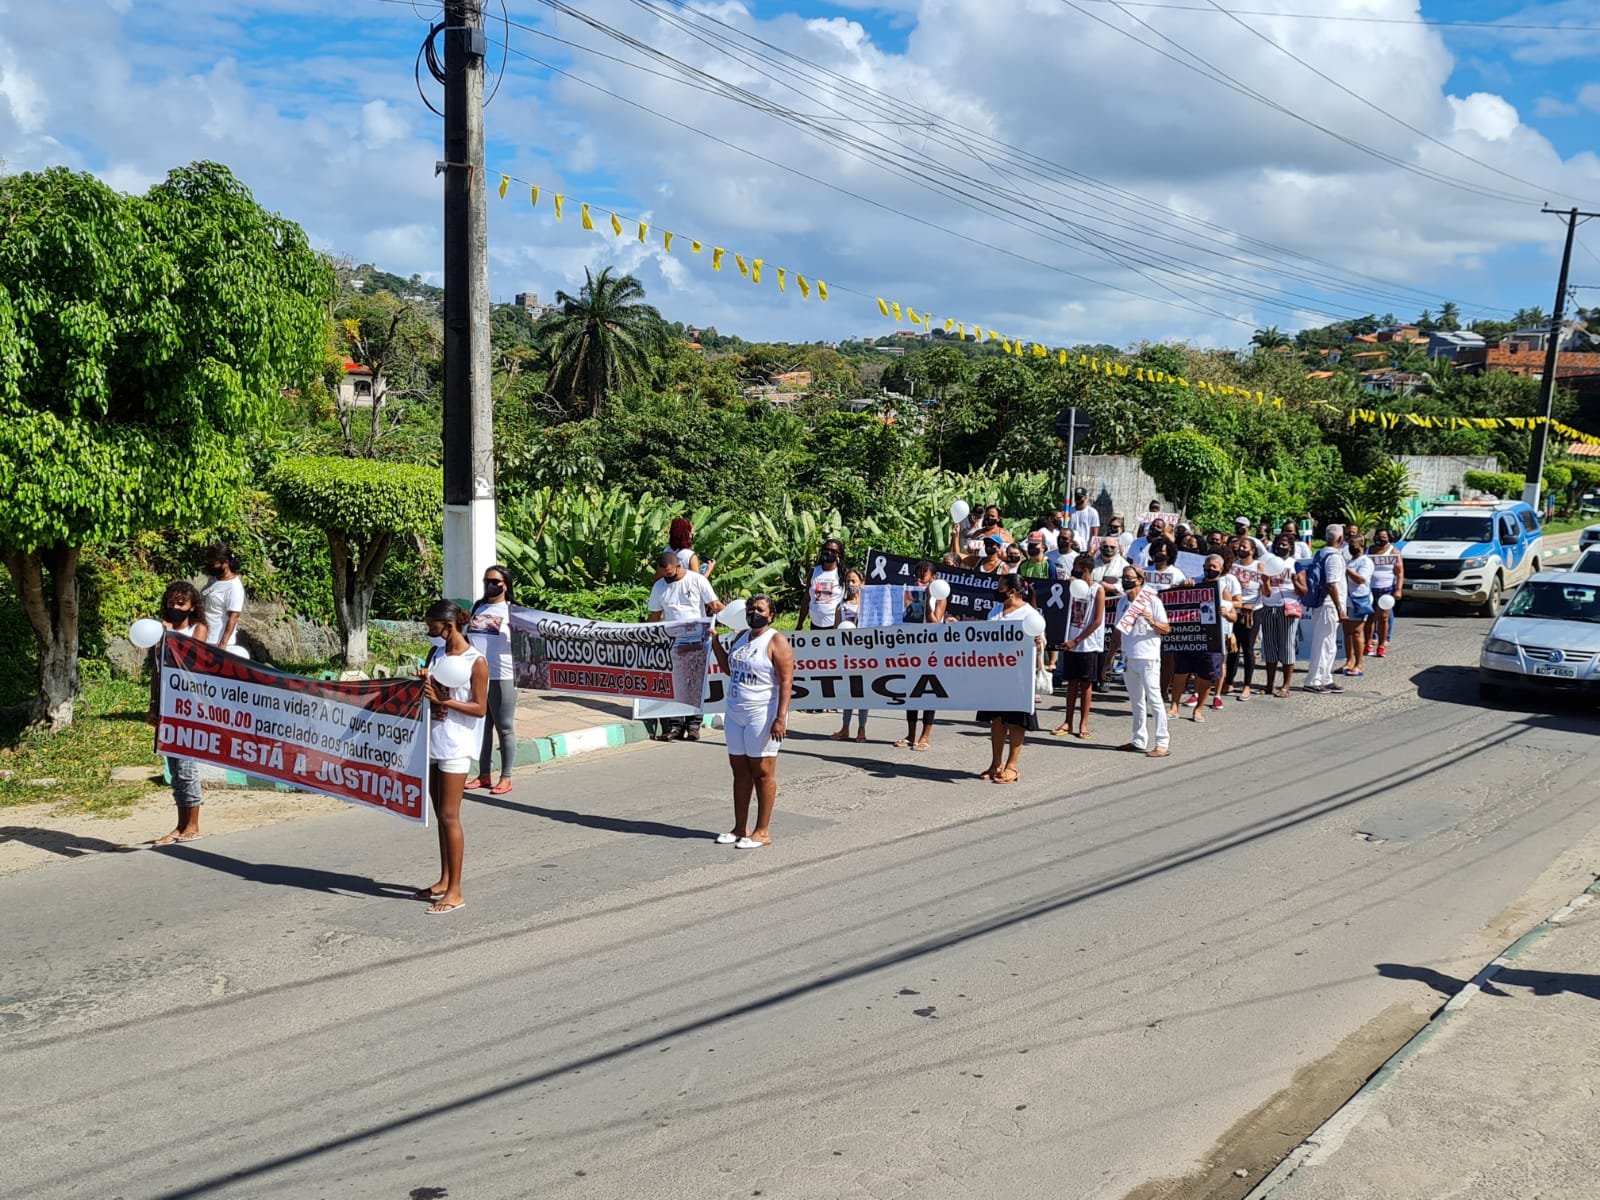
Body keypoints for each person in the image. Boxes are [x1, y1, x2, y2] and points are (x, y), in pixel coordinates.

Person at [417, 599, 489, 915]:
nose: (428, 629)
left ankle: (456, 891)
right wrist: (425, 680)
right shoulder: (437, 654)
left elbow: (480, 707)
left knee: (450, 815)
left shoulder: (477, 661)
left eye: (431, 624)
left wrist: (446, 701)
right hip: (434, 740)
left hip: (457, 745)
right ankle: (445, 879)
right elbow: (432, 690)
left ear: (447, 625)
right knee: (439, 814)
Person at [711, 595, 793, 849]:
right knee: (740, 771)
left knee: (762, 772)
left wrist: (780, 718)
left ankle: (762, 831)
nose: (753, 613)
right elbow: (728, 669)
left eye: (759, 609)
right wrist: (714, 642)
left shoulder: (776, 641)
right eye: (750, 609)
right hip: (735, 712)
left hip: (763, 714)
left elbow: (786, 682)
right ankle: (739, 827)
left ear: (770, 615)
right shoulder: (741, 637)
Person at [146, 581, 209, 845]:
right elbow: (157, 670)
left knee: (187, 766)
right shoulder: (160, 633)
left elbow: (190, 661)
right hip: (166, 706)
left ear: (192, 605)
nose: (175, 607)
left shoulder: (199, 629)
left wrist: (170, 637)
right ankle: (180, 824)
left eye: (180, 603)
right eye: (171, 602)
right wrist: (153, 705)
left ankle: (193, 824)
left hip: (189, 706)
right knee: (173, 766)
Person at [646, 549, 723, 741]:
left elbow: (714, 605)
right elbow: (654, 617)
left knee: (694, 682)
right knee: (675, 684)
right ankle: (675, 726)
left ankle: (694, 725)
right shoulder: (659, 587)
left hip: (697, 638)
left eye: (671, 574)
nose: (668, 578)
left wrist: (738, 620)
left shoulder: (696, 580)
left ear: (679, 566)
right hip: (672, 641)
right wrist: (645, 636)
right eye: (665, 575)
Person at [978, 575, 1043, 784]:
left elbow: (1041, 644)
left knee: (1015, 722)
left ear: (1013, 591)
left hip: (1019, 676)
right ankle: (995, 763)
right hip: (996, 674)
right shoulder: (995, 611)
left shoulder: (1029, 614)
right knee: (996, 720)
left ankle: (1012, 767)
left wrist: (1038, 641)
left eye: (1001, 588)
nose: (998, 592)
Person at [466, 564, 518, 793]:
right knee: (482, 727)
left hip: (503, 675)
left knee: (504, 726)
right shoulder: (478, 607)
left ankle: (506, 777)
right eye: (487, 581)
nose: (490, 585)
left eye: (495, 581)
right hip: (478, 676)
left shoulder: (514, 611)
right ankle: (484, 774)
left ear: (505, 584)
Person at [1115, 566, 1172, 758]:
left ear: (1140, 580)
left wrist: (1152, 622)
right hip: (1128, 656)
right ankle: (1139, 739)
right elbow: (1118, 631)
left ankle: (1162, 742)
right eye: (1123, 577)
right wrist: (1109, 658)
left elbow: (1166, 629)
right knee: (1136, 701)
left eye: (1129, 578)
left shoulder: (1152, 601)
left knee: (1154, 699)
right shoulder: (1122, 602)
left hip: (1148, 657)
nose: (1125, 581)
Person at [1172, 555, 1236, 721]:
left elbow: (1234, 617)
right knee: (1181, 672)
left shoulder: (1224, 589)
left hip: (1212, 638)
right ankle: (1174, 706)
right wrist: (1182, 586)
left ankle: (1199, 709)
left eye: (1214, 566)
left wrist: (1227, 615)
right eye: (1207, 566)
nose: (1210, 569)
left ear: (1221, 569)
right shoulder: (1194, 582)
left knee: (1205, 676)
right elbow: (1174, 596)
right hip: (1190, 635)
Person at [1051, 554, 1105, 740]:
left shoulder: (1097, 590)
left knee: (1086, 684)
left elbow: (1097, 621)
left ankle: (1084, 722)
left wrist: (1078, 640)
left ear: (1086, 570)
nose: (1075, 571)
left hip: (1087, 645)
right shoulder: (1073, 588)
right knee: (1071, 683)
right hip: (1070, 641)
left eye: (1078, 569)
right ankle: (1068, 721)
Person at [896, 560, 947, 750]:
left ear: (933, 578)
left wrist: (926, 602)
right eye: (917, 575)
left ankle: (925, 736)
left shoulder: (940, 596)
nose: (919, 579)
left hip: (932, 649)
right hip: (912, 648)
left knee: (927, 691)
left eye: (923, 576)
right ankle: (910, 734)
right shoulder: (909, 592)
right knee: (911, 692)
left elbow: (935, 623)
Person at [1303, 524, 1348, 694]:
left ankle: (1325, 678)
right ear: (1340, 539)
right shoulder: (1334, 557)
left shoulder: (1321, 553)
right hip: (1328, 605)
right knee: (1323, 643)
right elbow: (1331, 584)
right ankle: (1313, 680)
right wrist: (1340, 609)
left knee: (1329, 644)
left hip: (1325, 605)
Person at [1259, 532, 1304, 698]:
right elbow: (1267, 592)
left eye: (1284, 544)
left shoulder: (1295, 564)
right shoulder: (1268, 563)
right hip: (1269, 607)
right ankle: (1269, 684)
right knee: (1269, 646)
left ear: (1291, 547)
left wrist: (1294, 581)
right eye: (1278, 544)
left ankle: (1286, 685)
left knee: (1286, 646)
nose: (1281, 547)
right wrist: (1265, 581)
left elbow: (1304, 591)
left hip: (1288, 608)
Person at [1222, 537, 1264, 701]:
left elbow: (1265, 591)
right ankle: (1229, 681)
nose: (1241, 548)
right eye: (1239, 546)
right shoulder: (1233, 566)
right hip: (1235, 609)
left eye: (1244, 546)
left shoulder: (1258, 566)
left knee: (1247, 649)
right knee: (1232, 647)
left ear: (1252, 550)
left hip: (1252, 611)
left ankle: (1247, 685)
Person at [831, 568, 870, 743]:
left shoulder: (869, 606)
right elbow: (835, 630)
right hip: (847, 655)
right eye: (848, 581)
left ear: (862, 582)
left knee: (862, 693)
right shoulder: (842, 606)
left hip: (866, 655)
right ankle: (845, 727)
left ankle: (862, 729)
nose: (850, 584)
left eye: (854, 581)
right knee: (848, 692)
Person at [199, 542, 245, 652]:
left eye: (213, 564)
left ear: (225, 563)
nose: (210, 567)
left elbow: (234, 616)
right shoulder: (215, 578)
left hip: (216, 641)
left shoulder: (234, 588)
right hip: (204, 635)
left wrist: (223, 644)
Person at [1365, 529, 1403, 657]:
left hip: (1386, 589)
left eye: (1384, 537)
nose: (1380, 539)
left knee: (1383, 618)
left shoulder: (1394, 552)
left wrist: (1398, 589)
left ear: (1389, 538)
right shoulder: (1368, 551)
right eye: (1378, 536)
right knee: (1369, 618)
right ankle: (1368, 644)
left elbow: (1399, 572)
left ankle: (1381, 645)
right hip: (1369, 588)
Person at [1341, 534, 1374, 678]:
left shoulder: (1365, 562)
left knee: (1356, 632)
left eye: (1354, 545)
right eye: (1350, 545)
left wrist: (1346, 569)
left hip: (1359, 599)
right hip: (1346, 599)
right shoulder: (1350, 560)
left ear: (1362, 546)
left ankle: (1359, 664)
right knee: (1347, 632)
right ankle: (1349, 661)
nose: (1352, 548)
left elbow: (1361, 579)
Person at [801, 539, 846, 630]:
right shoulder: (814, 572)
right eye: (826, 549)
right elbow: (806, 599)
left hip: (835, 625)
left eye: (833, 551)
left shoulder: (843, 573)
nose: (829, 552)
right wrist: (800, 624)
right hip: (815, 624)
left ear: (839, 555)